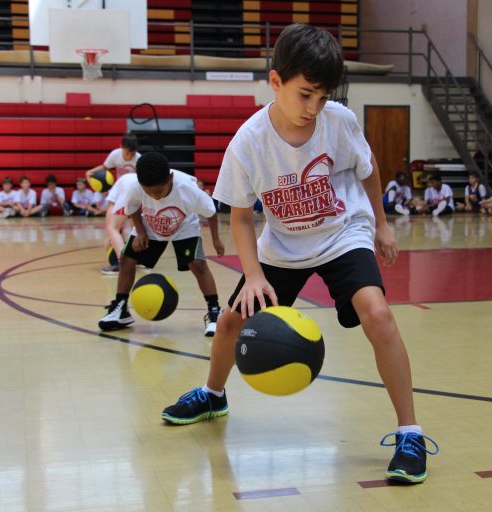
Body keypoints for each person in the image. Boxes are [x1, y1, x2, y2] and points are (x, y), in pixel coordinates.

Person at [160, 24, 437, 484]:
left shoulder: (340, 123)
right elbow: (242, 216)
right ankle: (213, 395)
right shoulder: (248, 142)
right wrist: (252, 276)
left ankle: (410, 433)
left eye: (323, 97)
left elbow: (368, 173)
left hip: (342, 234)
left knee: (379, 314)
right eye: (305, 94)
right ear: (276, 81)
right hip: (283, 244)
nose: (314, 108)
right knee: (231, 321)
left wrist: (382, 225)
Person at [98, 151, 225, 337]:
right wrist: (140, 231)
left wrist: (215, 239)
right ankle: (121, 308)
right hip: (151, 225)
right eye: (149, 193)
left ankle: (214, 311)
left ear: (170, 178)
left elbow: (211, 212)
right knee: (126, 258)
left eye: (158, 192)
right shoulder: (136, 186)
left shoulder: (187, 190)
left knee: (197, 264)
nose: (155, 197)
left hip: (184, 226)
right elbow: (131, 207)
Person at [87, 134, 141, 274]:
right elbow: (104, 169)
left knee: (114, 228)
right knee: (127, 228)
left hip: (130, 192)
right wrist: (92, 172)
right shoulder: (115, 155)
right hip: (122, 191)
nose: (129, 155)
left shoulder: (139, 159)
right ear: (121, 147)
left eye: (132, 153)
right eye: (127, 152)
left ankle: (121, 262)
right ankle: (137, 258)